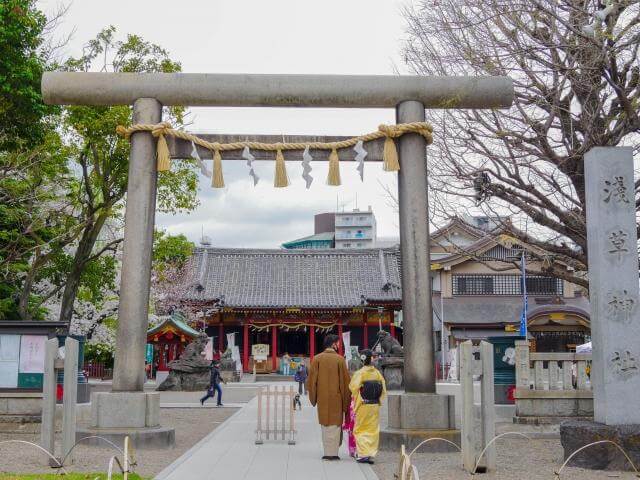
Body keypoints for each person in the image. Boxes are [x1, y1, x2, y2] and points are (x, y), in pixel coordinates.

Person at [307, 334, 351, 461]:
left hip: (322, 398)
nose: (339, 345)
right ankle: (333, 453)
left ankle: (327, 452)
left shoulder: (316, 359)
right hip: (337, 399)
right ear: (333, 344)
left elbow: (311, 382)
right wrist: (346, 402)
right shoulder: (339, 360)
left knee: (325, 425)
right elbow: (345, 383)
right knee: (335, 425)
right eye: (337, 343)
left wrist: (314, 398)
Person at [349, 349, 386, 464]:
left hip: (364, 404)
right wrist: (378, 401)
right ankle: (371, 453)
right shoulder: (377, 373)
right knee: (373, 429)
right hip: (374, 404)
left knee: (360, 429)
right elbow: (383, 390)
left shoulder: (360, 373)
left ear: (362, 359)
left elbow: (353, 388)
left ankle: (363, 454)